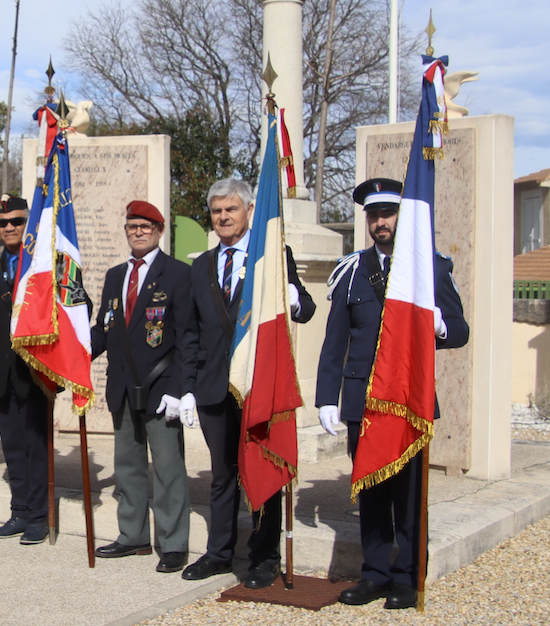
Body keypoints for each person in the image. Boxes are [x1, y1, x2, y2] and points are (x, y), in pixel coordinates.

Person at [315, 177, 469, 609]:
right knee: (372, 492)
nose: (380, 222)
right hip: (362, 402)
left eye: (388, 213)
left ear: (403, 216)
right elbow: (335, 341)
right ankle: (375, 573)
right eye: (374, 215)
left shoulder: (430, 268)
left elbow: (460, 331)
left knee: (408, 495)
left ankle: (407, 575)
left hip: (408, 402)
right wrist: (328, 397)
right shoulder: (351, 271)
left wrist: (439, 324)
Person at [178, 177, 317, 588]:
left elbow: (305, 309)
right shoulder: (201, 265)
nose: (223, 217)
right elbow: (189, 332)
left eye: (231, 209)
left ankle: (263, 557)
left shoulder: (271, 255)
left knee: (259, 470)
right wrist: (188, 387)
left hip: (258, 387)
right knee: (222, 474)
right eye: (217, 211)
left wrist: (290, 295)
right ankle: (220, 552)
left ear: (249, 211)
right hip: (213, 389)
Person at [90, 200, 194, 574]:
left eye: (146, 226)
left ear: (159, 230)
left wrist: (181, 389)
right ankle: (132, 535)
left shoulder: (178, 274)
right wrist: (74, 353)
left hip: (161, 388)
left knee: (168, 468)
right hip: (121, 386)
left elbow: (186, 338)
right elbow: (105, 329)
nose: (138, 231)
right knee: (128, 467)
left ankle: (173, 542)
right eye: (132, 226)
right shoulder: (116, 275)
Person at [0, 195, 51, 545]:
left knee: (35, 445)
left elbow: (73, 302)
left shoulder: (42, 264)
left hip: (33, 369)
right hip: (2, 370)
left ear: (29, 225)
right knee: (11, 446)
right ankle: (19, 511)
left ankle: (39, 516)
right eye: (3, 223)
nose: (9, 228)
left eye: (17, 222)